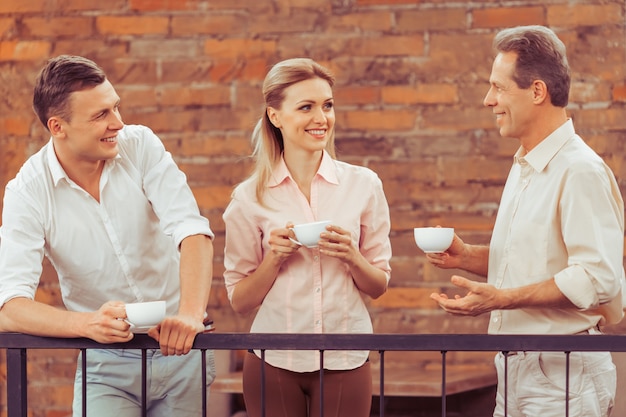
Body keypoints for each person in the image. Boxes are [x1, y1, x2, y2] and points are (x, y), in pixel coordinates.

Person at [0, 55, 216, 416]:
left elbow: (191, 230)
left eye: (116, 108)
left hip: (181, 352)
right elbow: (9, 308)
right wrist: (87, 323)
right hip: (105, 364)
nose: (117, 123)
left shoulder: (140, 145)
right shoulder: (27, 191)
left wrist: (191, 314)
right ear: (58, 127)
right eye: (100, 115)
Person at [428, 25, 625, 417]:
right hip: (517, 371)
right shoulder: (525, 164)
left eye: (498, 88)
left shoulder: (579, 170)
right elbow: (537, 258)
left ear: (537, 91)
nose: (488, 100)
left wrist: (502, 299)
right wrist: (468, 256)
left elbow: (597, 277)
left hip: (564, 375)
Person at [222, 57, 392, 417]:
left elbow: (378, 285)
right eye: (306, 107)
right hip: (272, 359)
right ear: (275, 115)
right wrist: (274, 259)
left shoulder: (364, 185)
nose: (322, 118)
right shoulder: (249, 198)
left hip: (346, 357)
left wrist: (351, 256)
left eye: (327, 105)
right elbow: (240, 300)